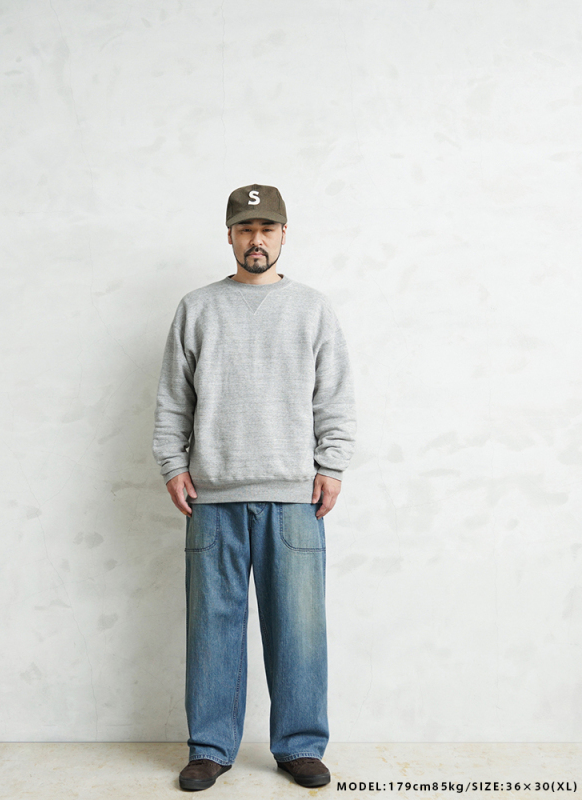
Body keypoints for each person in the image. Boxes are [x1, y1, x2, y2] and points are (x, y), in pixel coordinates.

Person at [152, 183, 356, 792]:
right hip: (212, 495)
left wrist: (332, 465)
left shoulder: (312, 308)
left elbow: (334, 395)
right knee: (212, 630)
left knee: (299, 630)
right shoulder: (197, 308)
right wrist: (172, 463)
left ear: (284, 233)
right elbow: (173, 398)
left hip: (294, 496)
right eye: (245, 229)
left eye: (267, 228)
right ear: (230, 236)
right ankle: (210, 748)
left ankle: (300, 745)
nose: (256, 239)